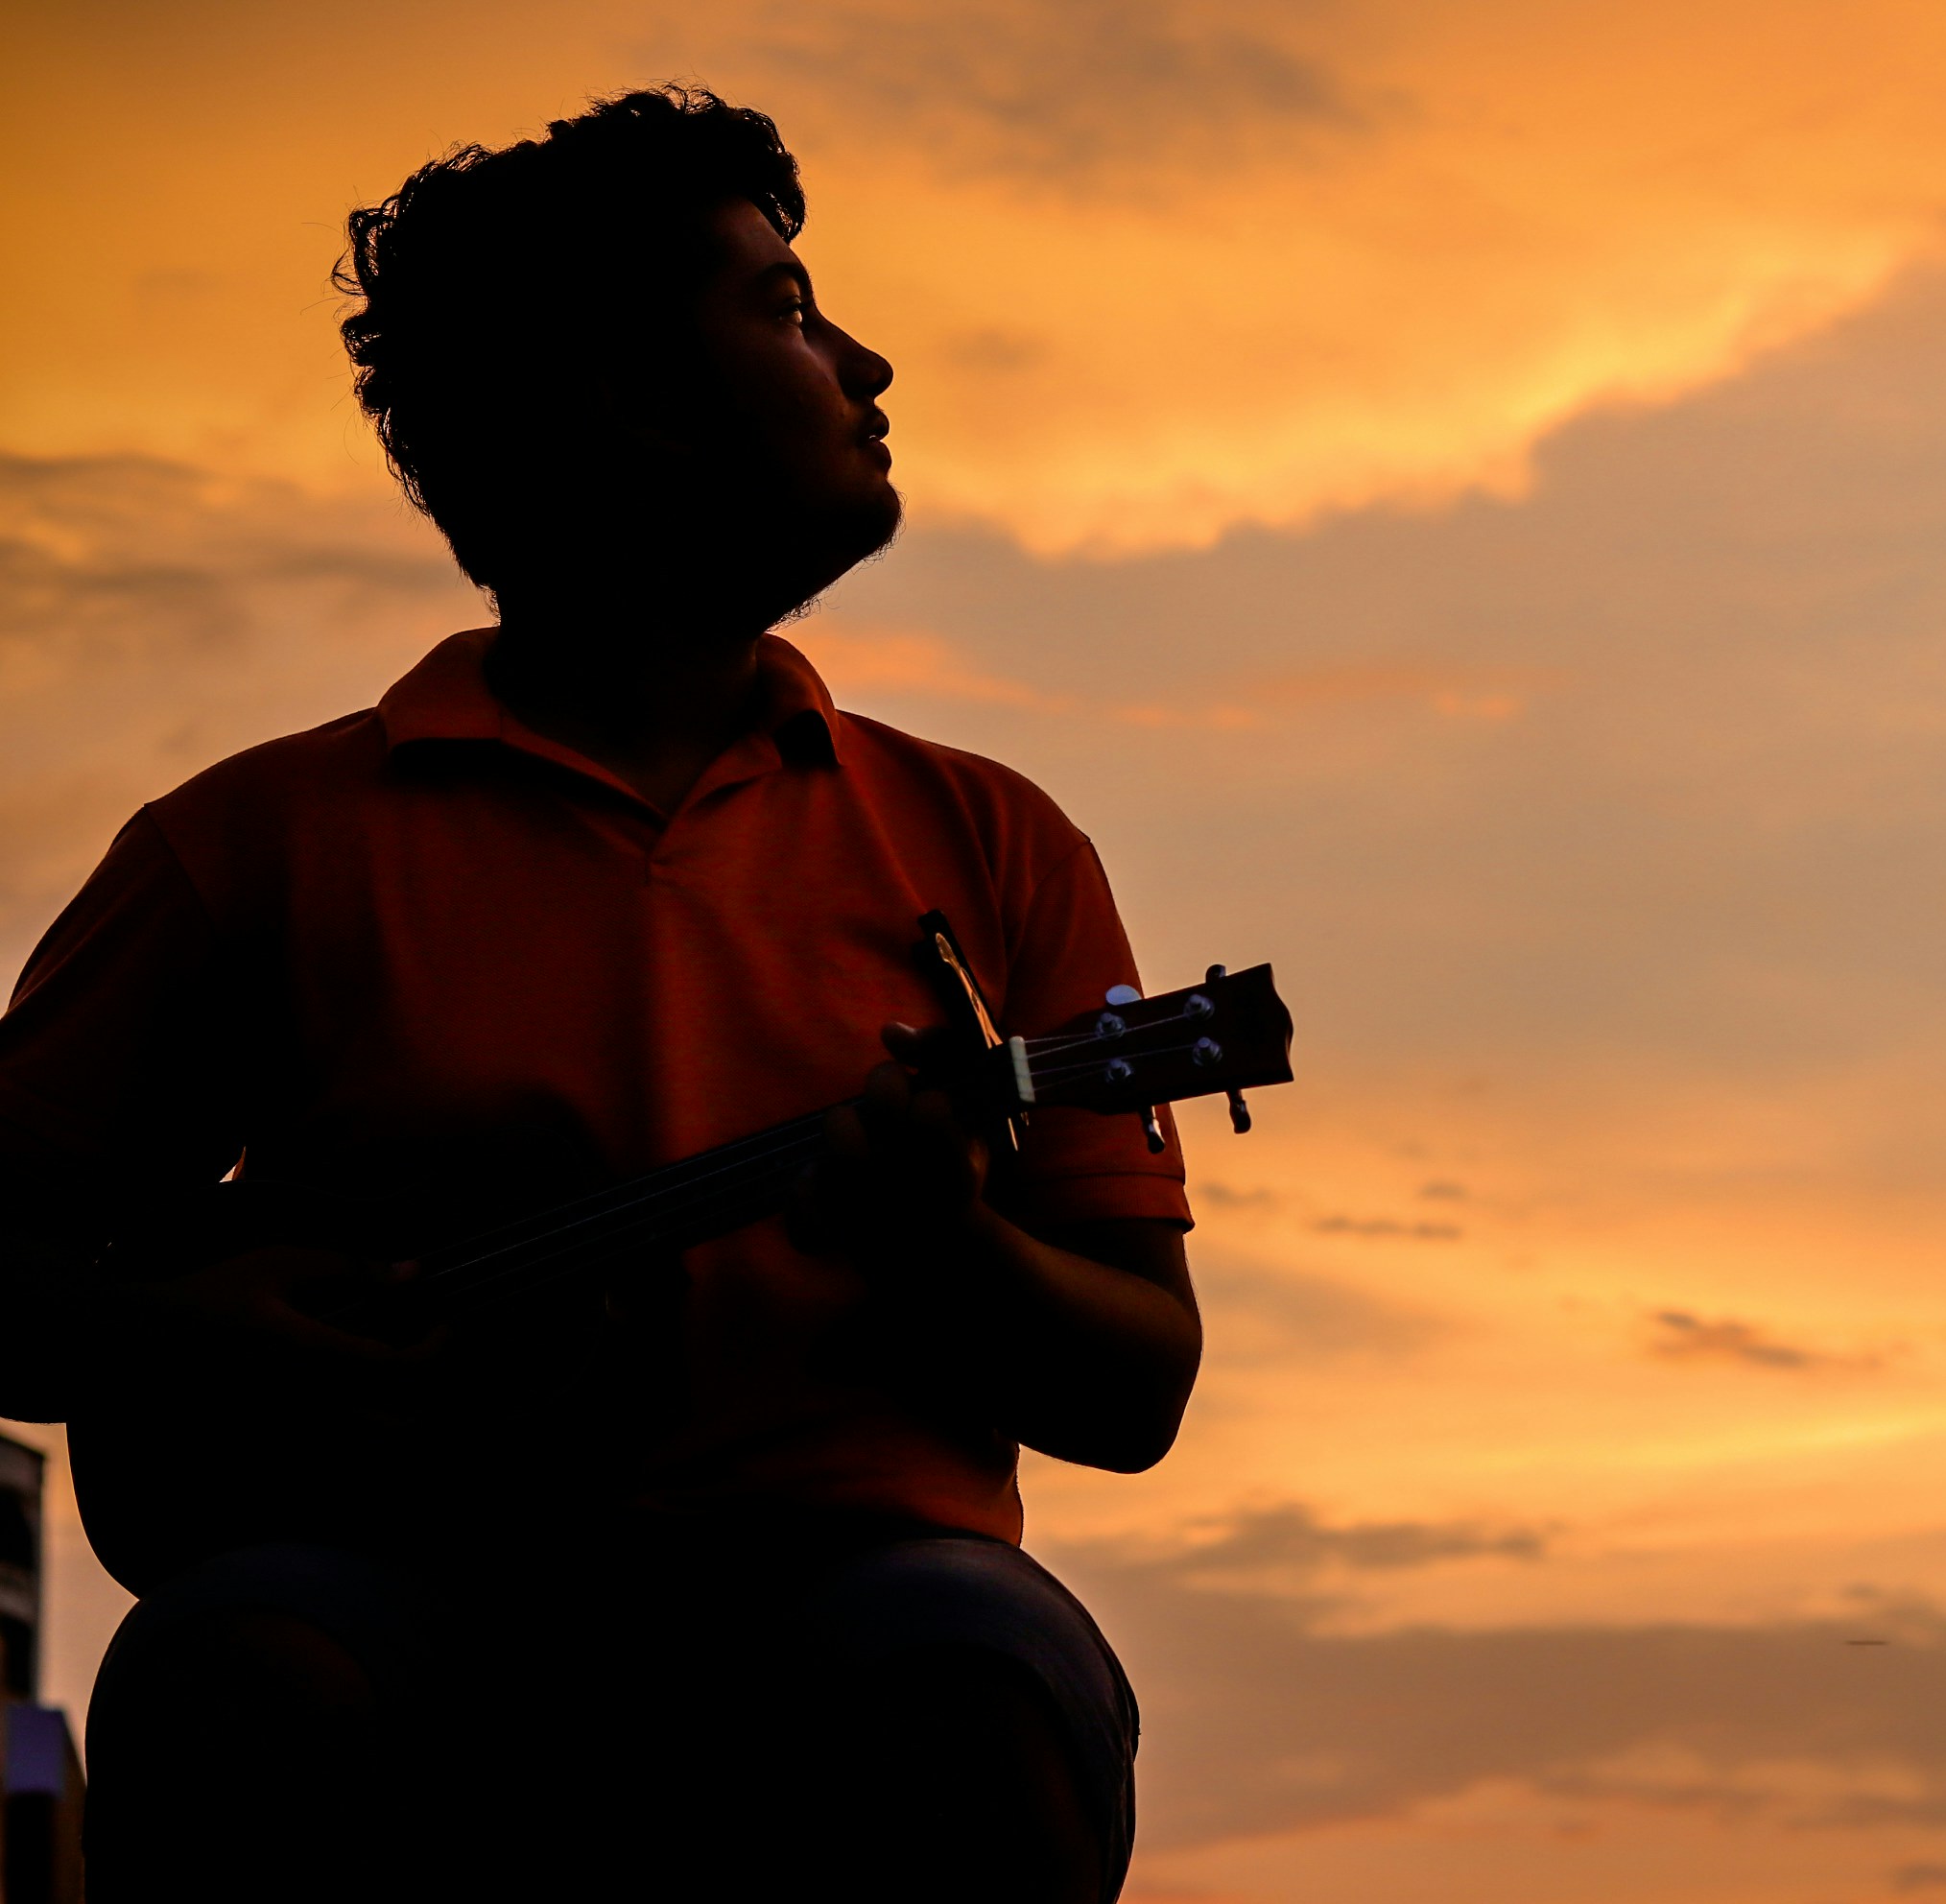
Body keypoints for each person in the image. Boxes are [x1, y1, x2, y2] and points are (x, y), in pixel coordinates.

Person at [0, 86, 1199, 1901]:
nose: (868, 363)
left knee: (976, 1693)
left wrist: (950, 1250)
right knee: (235, 1679)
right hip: (383, 1577)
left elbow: (1140, 1386)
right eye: (787, 309)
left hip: (862, 1584)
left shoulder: (991, 838)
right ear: (619, 402)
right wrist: (197, 1330)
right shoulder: (251, 847)